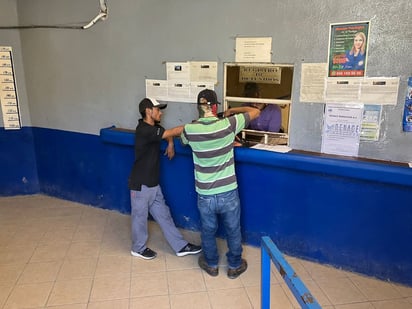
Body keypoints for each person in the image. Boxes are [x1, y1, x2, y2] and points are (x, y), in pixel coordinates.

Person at [181, 89, 261, 279]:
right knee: (233, 230)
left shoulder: (190, 129)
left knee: (208, 231)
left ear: (198, 108)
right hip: (228, 192)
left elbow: (184, 141)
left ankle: (211, 264)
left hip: (205, 194)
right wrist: (231, 111)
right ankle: (234, 266)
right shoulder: (229, 125)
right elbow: (256, 111)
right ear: (215, 106)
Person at [128, 97, 202, 260]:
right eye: (158, 110)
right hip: (140, 184)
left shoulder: (154, 127)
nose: (160, 113)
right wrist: (193, 126)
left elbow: (165, 134)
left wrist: (170, 144)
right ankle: (137, 248)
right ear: (148, 111)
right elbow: (170, 132)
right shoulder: (144, 130)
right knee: (139, 219)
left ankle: (180, 246)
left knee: (164, 216)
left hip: (153, 184)